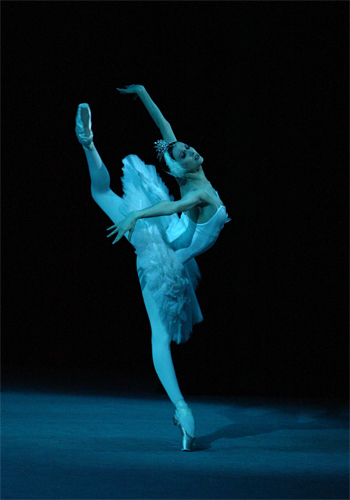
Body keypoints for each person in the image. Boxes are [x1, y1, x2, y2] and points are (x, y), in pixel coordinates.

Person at [75, 85, 230, 451]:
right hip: (163, 244)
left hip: (168, 246)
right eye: (184, 151)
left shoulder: (194, 183)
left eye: (188, 148)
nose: (190, 149)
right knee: (159, 336)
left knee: (103, 194)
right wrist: (137, 214)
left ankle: (87, 142)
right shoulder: (194, 185)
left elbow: (166, 132)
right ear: (181, 165)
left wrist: (136, 214)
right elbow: (173, 201)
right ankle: (87, 141)